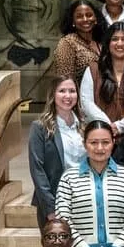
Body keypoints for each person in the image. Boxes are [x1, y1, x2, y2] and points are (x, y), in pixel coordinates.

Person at [55, 119, 124, 247]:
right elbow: (63, 219)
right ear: (84, 144)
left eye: (105, 142)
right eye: (93, 143)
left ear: (113, 142)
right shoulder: (69, 177)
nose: (100, 148)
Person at [28, 75, 85, 226]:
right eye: (62, 91)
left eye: (72, 91)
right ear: (53, 94)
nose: (67, 96)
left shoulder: (85, 126)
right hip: (54, 200)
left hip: (83, 199)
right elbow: (37, 170)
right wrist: (50, 208)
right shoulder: (40, 127)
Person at [51, 0, 104, 85]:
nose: (85, 19)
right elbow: (65, 79)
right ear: (73, 21)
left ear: (96, 18)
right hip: (81, 96)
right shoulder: (67, 42)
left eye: (89, 15)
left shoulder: (102, 40)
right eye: (79, 16)